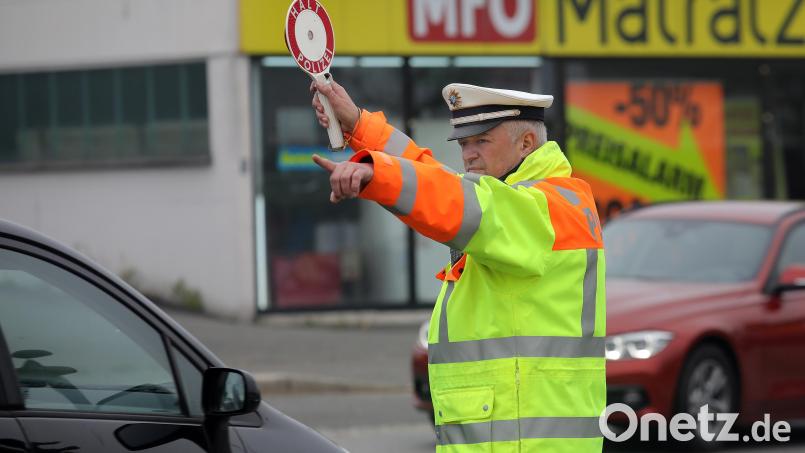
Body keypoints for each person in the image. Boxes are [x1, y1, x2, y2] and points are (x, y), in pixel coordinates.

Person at [310, 80, 606, 453]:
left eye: (481, 141)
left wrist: (378, 174)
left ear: (526, 143)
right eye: (464, 144)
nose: (468, 155)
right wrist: (357, 124)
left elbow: (452, 199)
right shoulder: (531, 199)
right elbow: (439, 179)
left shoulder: (547, 205)